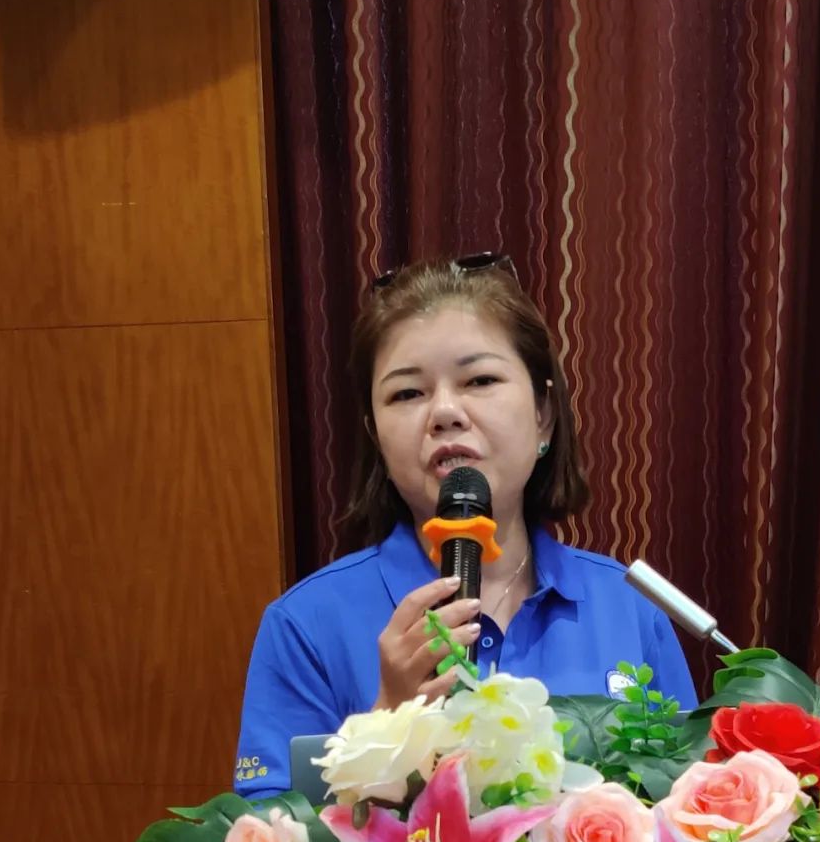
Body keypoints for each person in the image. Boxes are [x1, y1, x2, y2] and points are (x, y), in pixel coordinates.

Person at [233, 255, 697, 797]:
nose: (444, 412)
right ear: (375, 435)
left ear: (544, 414)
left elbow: (688, 811)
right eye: (407, 393)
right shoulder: (304, 626)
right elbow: (271, 835)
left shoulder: (631, 608)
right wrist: (388, 727)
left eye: (479, 380)